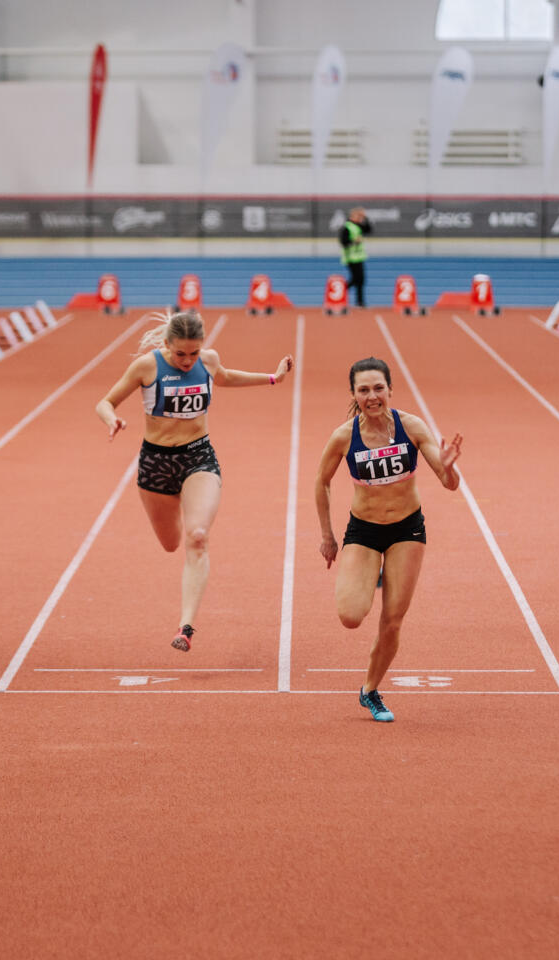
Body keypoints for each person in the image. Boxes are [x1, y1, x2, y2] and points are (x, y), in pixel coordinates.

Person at [94, 310, 293, 652]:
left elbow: (226, 376)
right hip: (155, 464)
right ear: (167, 344)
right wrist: (111, 419)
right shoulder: (147, 366)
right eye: (180, 354)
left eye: (194, 353)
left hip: (198, 457)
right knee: (171, 544)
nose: (187, 361)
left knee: (197, 537)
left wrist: (272, 378)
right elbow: (105, 401)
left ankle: (185, 626)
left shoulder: (208, 361)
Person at [314, 357, 463, 723]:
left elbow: (450, 484)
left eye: (378, 388)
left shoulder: (411, 427)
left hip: (406, 530)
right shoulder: (343, 436)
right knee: (350, 616)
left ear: (390, 390)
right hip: (363, 531)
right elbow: (321, 482)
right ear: (354, 394)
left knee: (393, 620)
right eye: (364, 390)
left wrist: (448, 465)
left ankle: (370, 690)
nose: (372, 396)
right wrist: (328, 536)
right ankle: (373, 572)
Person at [337, 207, 371, 308]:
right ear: (352, 216)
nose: (360, 218)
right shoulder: (346, 227)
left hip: (359, 256)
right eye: (358, 216)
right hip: (350, 257)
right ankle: (340, 292)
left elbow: (368, 229)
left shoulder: (358, 226)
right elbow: (343, 242)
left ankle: (360, 302)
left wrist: (366, 218)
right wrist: (353, 241)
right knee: (356, 279)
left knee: (361, 279)